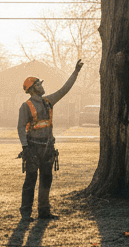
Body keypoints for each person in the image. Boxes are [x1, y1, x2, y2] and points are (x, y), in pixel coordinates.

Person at [17, 60, 83, 220]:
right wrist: (25, 147)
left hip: (48, 148)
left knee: (46, 180)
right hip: (33, 149)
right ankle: (26, 214)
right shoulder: (26, 106)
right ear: (33, 88)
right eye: (39, 84)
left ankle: (44, 212)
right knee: (30, 182)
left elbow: (64, 90)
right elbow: (20, 127)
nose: (42, 86)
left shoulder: (48, 101)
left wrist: (76, 72)